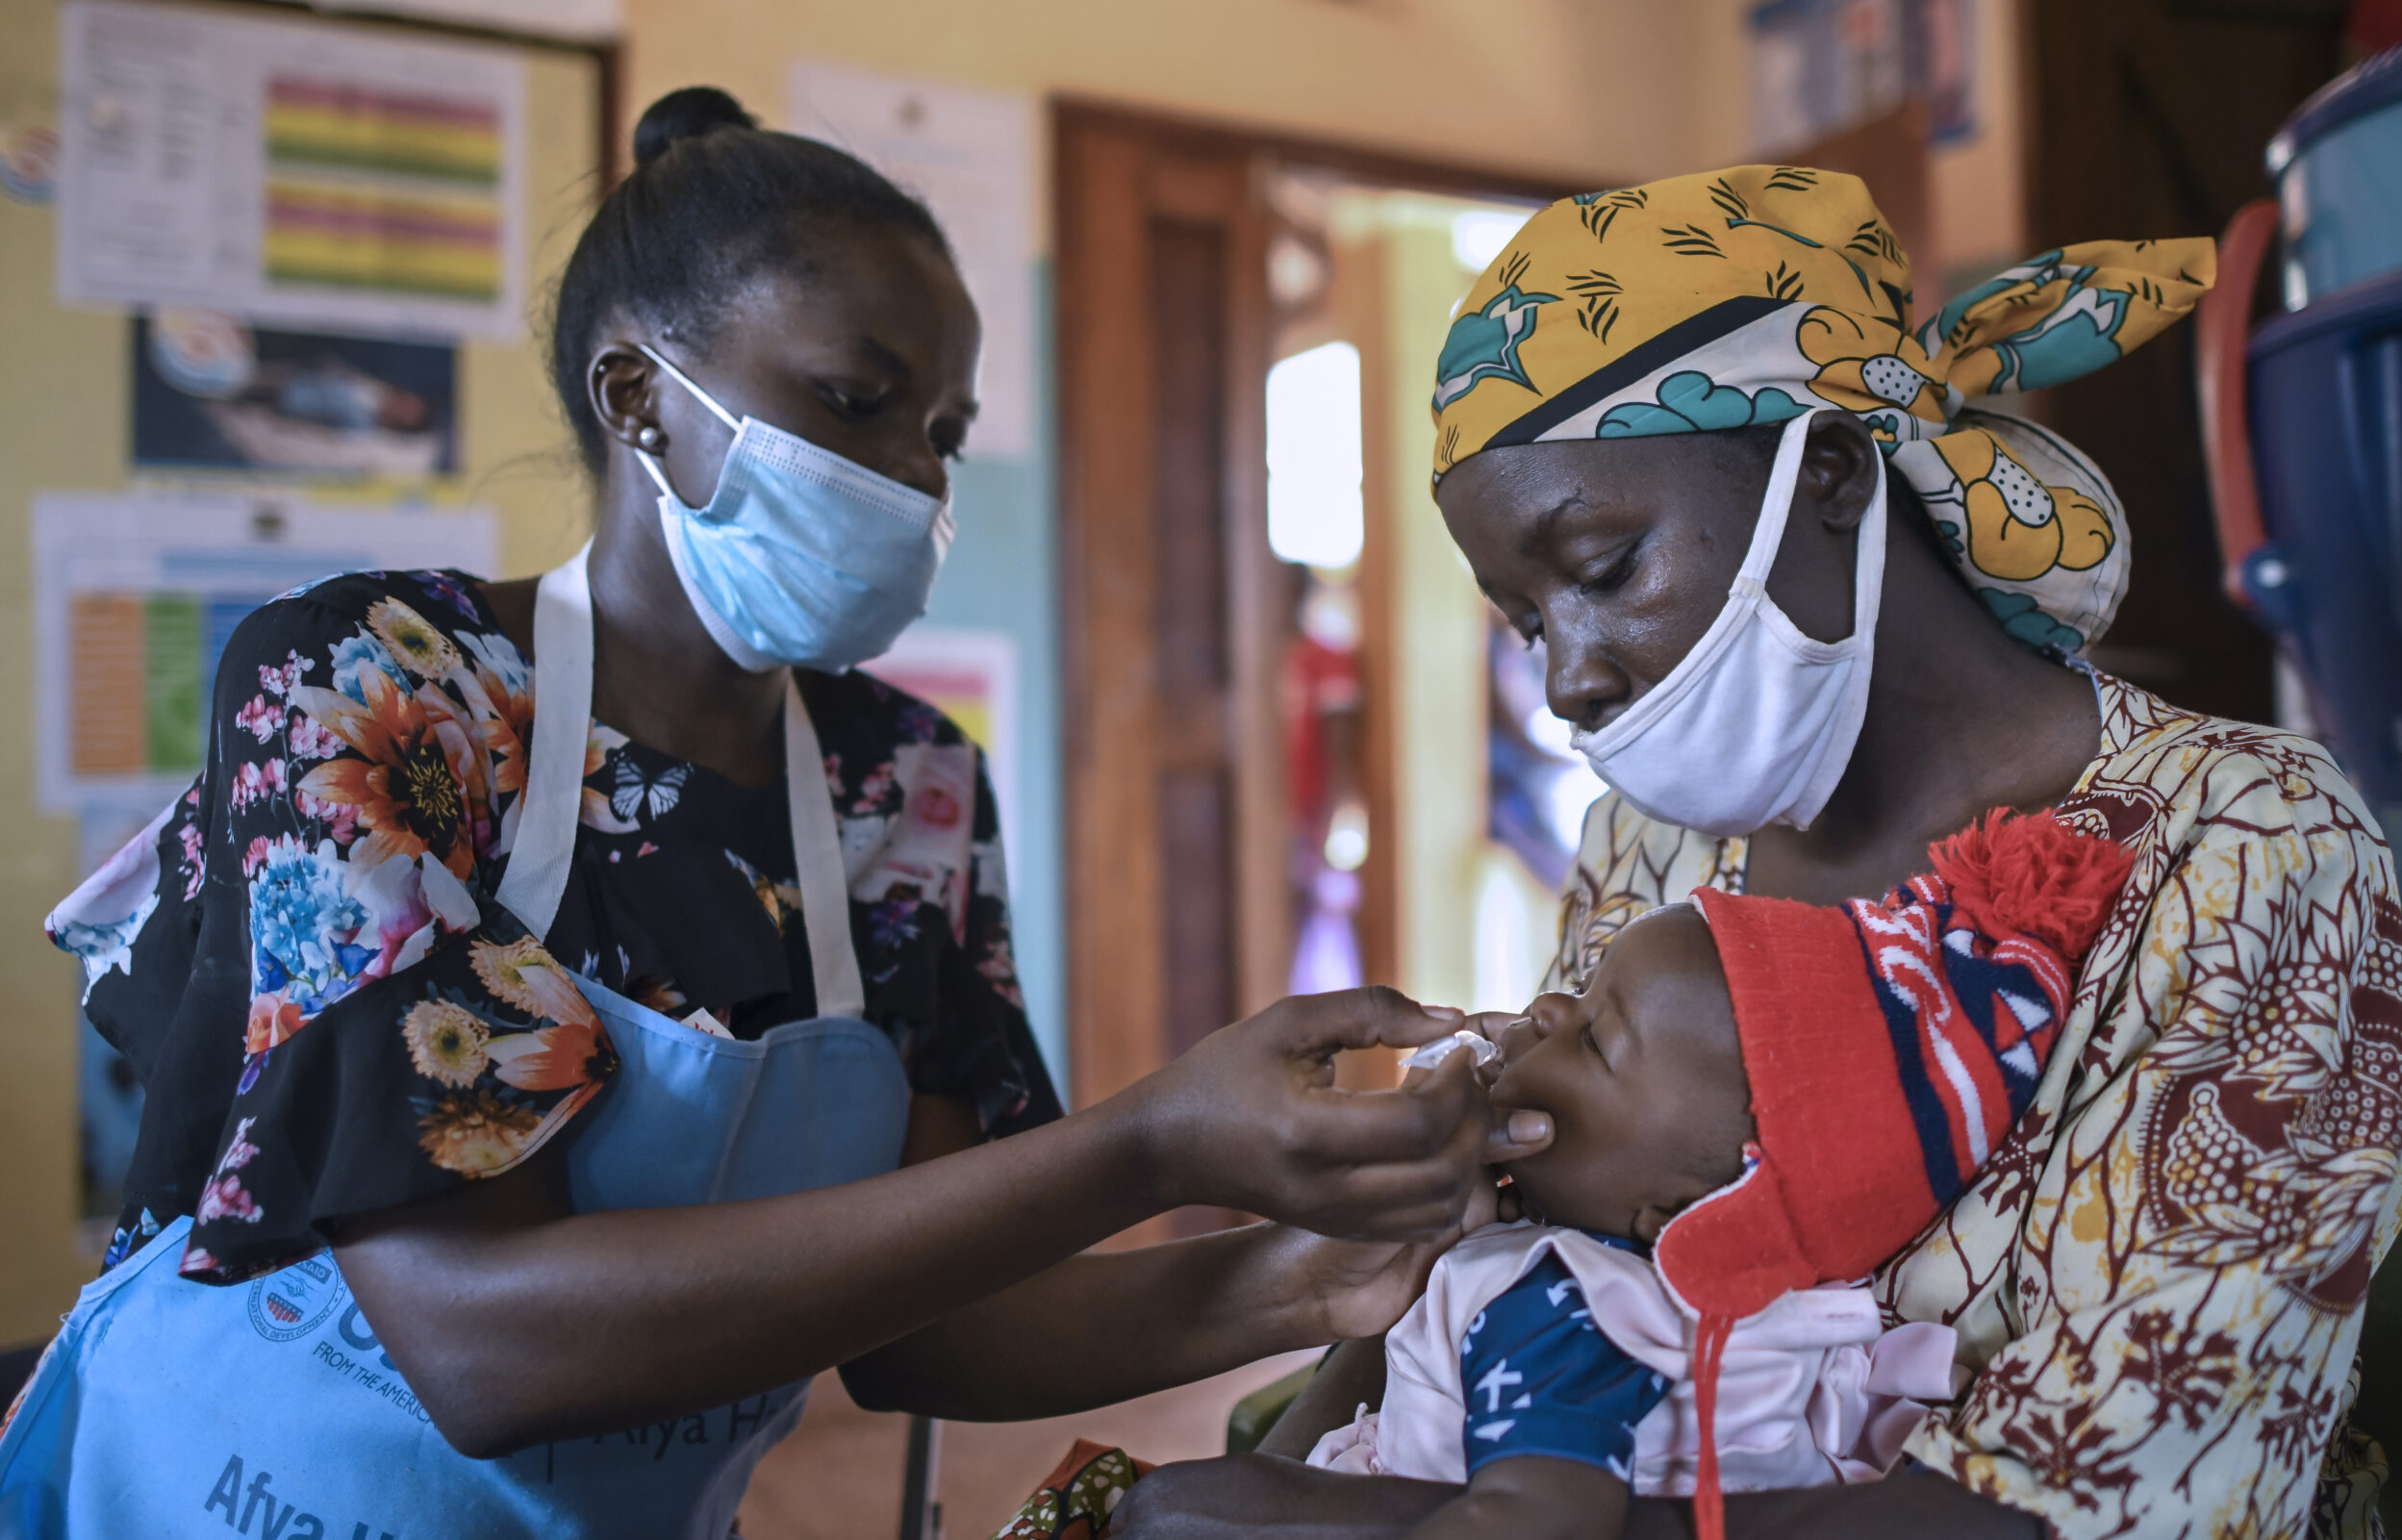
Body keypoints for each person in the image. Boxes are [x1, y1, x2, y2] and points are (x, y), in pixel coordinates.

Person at [0, 88, 1545, 1538]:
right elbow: (484, 1345)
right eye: (858, 399)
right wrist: (1149, 1144)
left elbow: (936, 1321)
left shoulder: (906, 785)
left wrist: (1325, 1265)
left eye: (939, 431)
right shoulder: (378, 685)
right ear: (639, 399)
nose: (908, 477)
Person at [1112, 167, 2402, 1540]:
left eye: (1604, 564)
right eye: (1522, 619)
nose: (1565, 677)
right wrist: (1320, 1470)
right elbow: (1531, 1239)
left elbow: (2111, 1491)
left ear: (1836, 476)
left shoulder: (2242, 840)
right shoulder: (1662, 835)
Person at [1304, 810, 2133, 1540]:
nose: (1550, 1006)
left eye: (1595, 1037)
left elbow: (1538, 1515)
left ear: (1683, 1214)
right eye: (1585, 990)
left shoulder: (1565, 1303)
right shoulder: (1666, 1299)